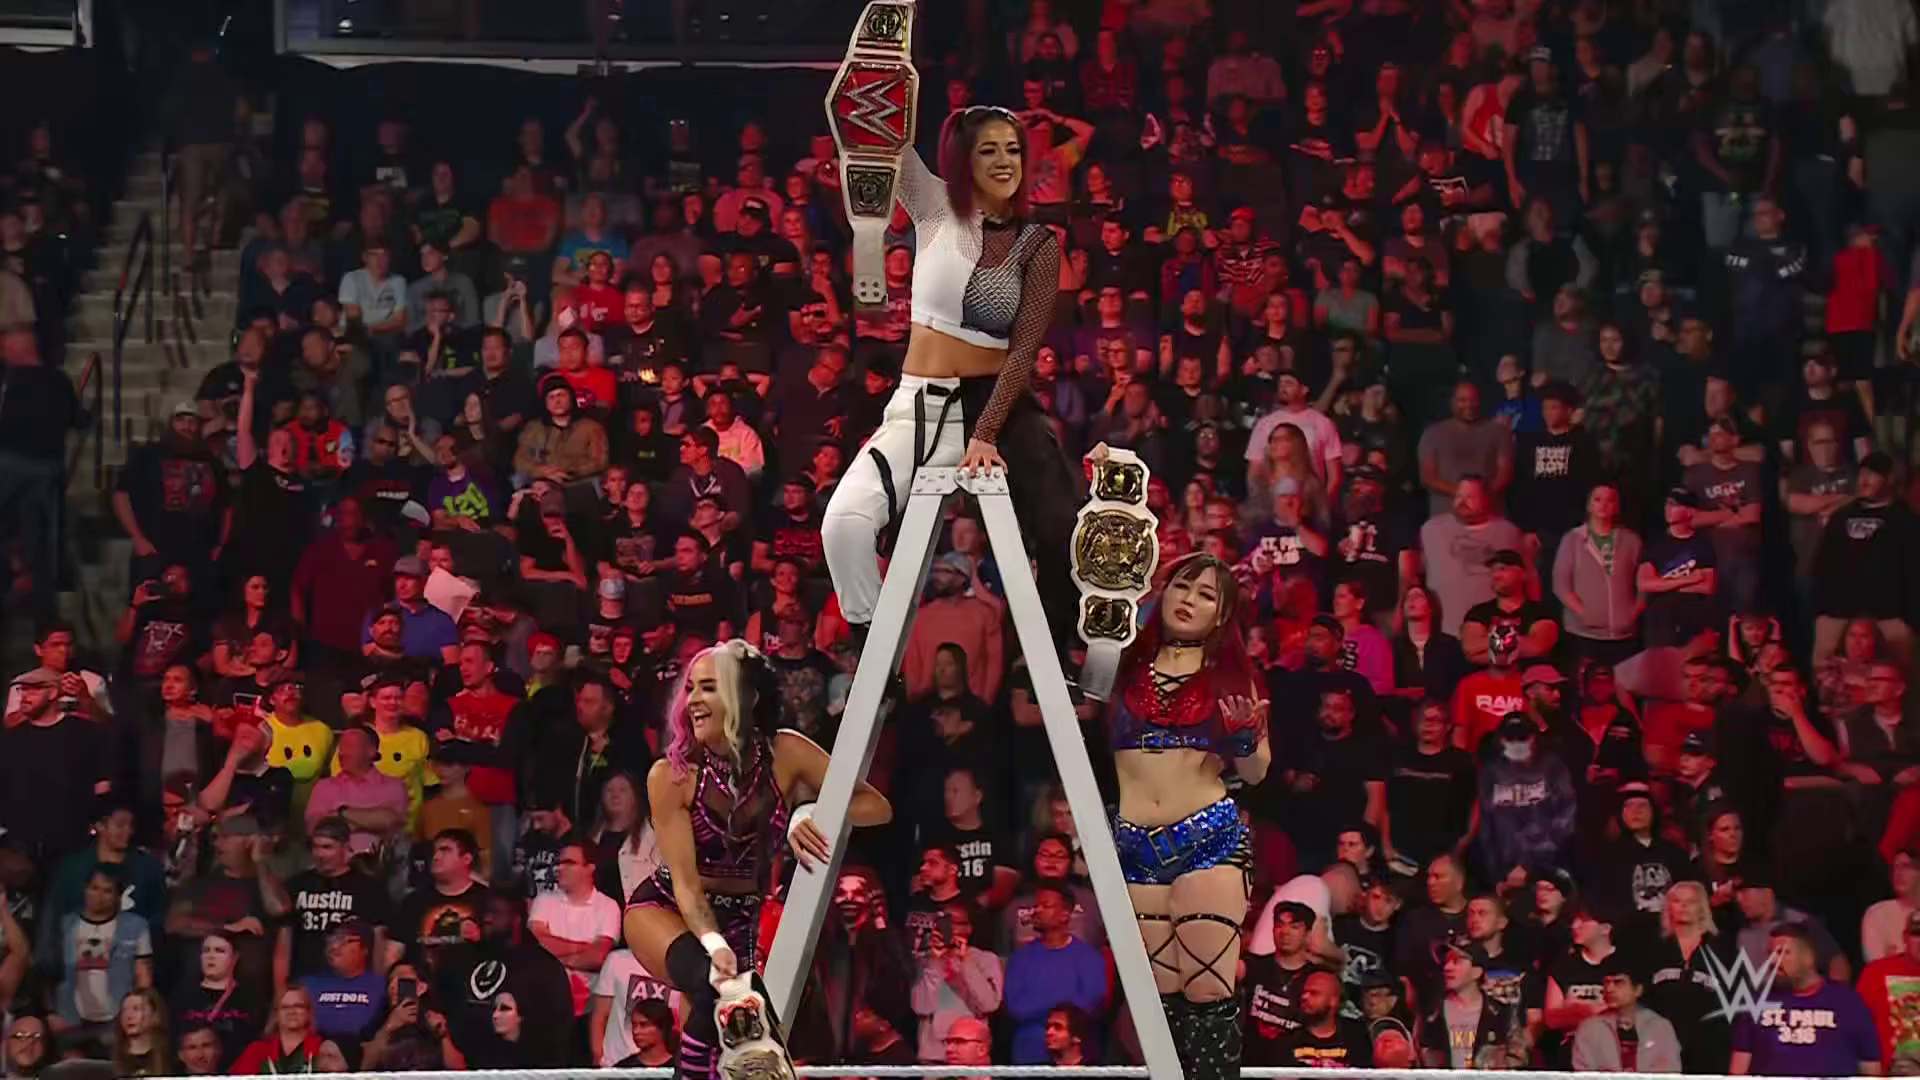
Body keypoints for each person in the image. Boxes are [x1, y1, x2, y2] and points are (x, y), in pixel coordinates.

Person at [821, 102, 1084, 651]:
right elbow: (879, 135)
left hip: (1000, 408)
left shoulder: (1038, 243)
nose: (1005, 161)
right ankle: (878, 650)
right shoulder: (935, 207)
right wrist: (877, 73)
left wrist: (985, 433)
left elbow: (1023, 352)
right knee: (843, 524)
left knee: (1063, 529)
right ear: (963, 160)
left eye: (1013, 150)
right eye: (988, 150)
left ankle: (1051, 652)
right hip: (921, 403)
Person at [621, 640, 891, 1080]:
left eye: (709, 687)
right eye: (690, 688)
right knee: (719, 987)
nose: (693, 700)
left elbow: (876, 807)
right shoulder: (672, 776)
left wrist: (808, 813)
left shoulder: (785, 754)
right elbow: (687, 887)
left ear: (746, 697)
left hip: (742, 917)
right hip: (668, 909)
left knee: (737, 1034)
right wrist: (714, 943)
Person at [1098, 552, 1268, 1080]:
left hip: (1207, 842)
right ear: (1162, 593)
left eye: (1206, 594)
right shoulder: (1121, 664)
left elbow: (1257, 772)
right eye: (1182, 586)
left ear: (1221, 615)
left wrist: (1243, 738)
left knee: (1208, 992)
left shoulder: (1230, 678)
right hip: (1135, 849)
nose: (1189, 600)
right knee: (1159, 1007)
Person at [1729, 923, 1881, 1076]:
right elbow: (1738, 1070)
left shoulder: (1847, 1002)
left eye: (1783, 953)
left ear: (1808, 958)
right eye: (1770, 953)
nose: (1773, 961)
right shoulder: (1758, 1001)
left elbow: (1871, 1069)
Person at [1571, 956, 1683, 1072]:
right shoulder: (1589, 1029)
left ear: (1638, 990)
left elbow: (1669, 1073)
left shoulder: (1659, 1027)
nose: (1609, 989)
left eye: (1618, 982)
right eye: (1606, 982)